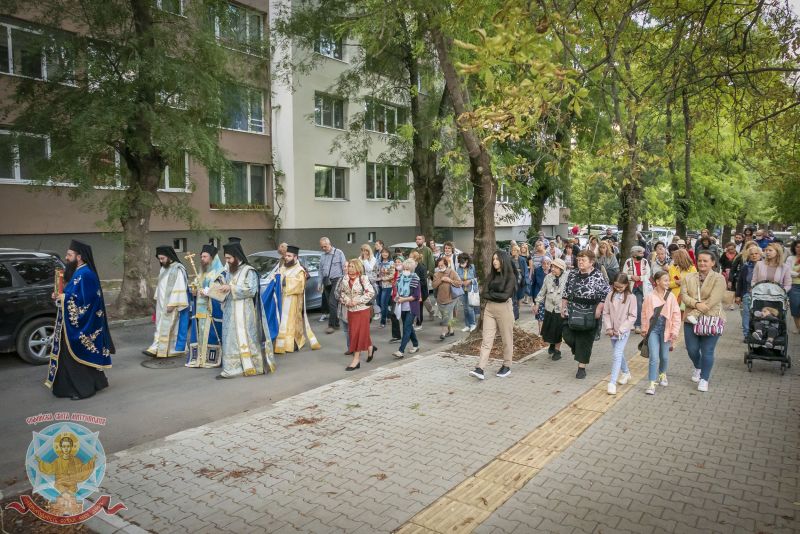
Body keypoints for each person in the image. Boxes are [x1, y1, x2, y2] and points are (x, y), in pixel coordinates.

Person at [45, 240, 113, 400]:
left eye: (69, 255)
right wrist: (59, 295)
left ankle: (83, 389)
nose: (66, 257)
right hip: (68, 323)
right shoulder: (78, 271)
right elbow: (72, 294)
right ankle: (90, 384)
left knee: (74, 356)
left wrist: (63, 297)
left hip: (81, 325)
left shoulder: (86, 274)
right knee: (69, 356)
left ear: (79, 256)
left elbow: (86, 302)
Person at [217, 241, 275, 379]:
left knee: (245, 338)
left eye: (229, 258)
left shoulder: (249, 271)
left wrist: (230, 288)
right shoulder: (230, 271)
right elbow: (227, 287)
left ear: (237, 256)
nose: (227, 261)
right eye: (226, 258)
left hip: (244, 312)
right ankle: (233, 368)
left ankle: (251, 365)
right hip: (230, 311)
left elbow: (251, 290)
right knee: (231, 340)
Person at [681, 251, 726, 392]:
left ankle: (704, 379)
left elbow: (715, 299)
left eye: (705, 261)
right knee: (692, 349)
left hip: (711, 318)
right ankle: (698, 366)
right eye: (699, 260)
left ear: (713, 262)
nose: (702, 263)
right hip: (690, 319)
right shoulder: (688, 277)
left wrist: (698, 310)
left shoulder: (719, 278)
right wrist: (696, 304)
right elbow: (684, 296)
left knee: (708, 350)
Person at [561, 250, 610, 379]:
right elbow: (566, 292)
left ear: (591, 262)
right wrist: (563, 307)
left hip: (590, 312)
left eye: (583, 260)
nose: (580, 262)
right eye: (578, 260)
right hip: (572, 310)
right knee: (567, 335)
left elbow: (606, 294)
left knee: (585, 340)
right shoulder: (572, 274)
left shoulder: (598, 275)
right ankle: (578, 350)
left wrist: (599, 308)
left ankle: (581, 368)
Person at [470, 251, 516, 380]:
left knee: (507, 339)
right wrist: (494, 295)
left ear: (503, 260)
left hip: (504, 309)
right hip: (489, 309)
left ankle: (507, 365)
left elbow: (505, 296)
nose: (494, 261)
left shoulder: (510, 276)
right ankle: (480, 368)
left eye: (497, 259)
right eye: (493, 259)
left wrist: (491, 294)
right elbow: (484, 293)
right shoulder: (491, 275)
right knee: (486, 339)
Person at [144, 246, 190, 358]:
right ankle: (166, 349)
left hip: (171, 304)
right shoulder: (164, 268)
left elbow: (180, 287)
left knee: (166, 326)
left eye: (162, 258)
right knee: (162, 325)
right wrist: (157, 298)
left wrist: (172, 304)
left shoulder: (178, 269)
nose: (161, 261)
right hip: (161, 304)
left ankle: (157, 348)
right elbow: (161, 285)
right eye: (159, 259)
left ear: (169, 256)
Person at [274, 246, 321, 354]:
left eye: (289, 256)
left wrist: (284, 281)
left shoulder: (300, 270)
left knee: (292, 323)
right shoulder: (283, 267)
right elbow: (276, 278)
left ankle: (292, 343)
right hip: (282, 299)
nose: (286, 258)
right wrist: (275, 278)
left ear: (295, 257)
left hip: (293, 301)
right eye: (286, 256)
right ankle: (280, 344)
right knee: (282, 322)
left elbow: (300, 285)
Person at [640, 271, 681, 395]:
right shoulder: (649, 296)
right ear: (657, 281)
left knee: (664, 356)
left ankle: (662, 374)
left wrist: (674, 331)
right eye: (665, 280)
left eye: (668, 280)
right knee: (654, 357)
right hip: (653, 330)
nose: (668, 283)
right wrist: (644, 328)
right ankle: (652, 383)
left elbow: (676, 315)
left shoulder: (671, 296)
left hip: (666, 330)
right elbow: (644, 313)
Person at [186, 244, 224, 368]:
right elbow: (196, 285)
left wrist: (207, 291)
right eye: (201, 256)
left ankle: (210, 359)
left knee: (211, 333)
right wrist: (193, 290)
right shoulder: (202, 272)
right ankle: (200, 358)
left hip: (211, 309)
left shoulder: (220, 272)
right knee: (200, 332)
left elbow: (221, 289)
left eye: (205, 256)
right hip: (200, 309)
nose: (202, 259)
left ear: (212, 258)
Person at [338, 259, 377, 370]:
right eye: (349, 266)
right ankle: (370, 347)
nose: (349, 268)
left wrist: (357, 301)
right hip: (351, 310)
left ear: (358, 268)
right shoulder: (344, 279)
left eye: (352, 266)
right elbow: (341, 293)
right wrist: (347, 301)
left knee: (357, 334)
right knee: (356, 332)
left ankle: (356, 360)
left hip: (362, 310)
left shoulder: (363, 278)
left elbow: (370, 293)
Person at [602, 273, 637, 395]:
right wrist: (608, 327)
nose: (617, 289)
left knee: (617, 354)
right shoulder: (609, 295)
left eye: (620, 287)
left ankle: (612, 382)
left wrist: (621, 330)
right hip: (612, 331)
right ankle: (626, 372)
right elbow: (606, 312)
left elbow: (632, 316)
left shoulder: (631, 297)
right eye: (615, 286)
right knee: (619, 353)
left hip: (623, 332)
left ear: (626, 285)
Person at [534, 258, 567, 360]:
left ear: (561, 268)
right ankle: (552, 344)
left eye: (555, 267)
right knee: (549, 329)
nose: (552, 269)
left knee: (558, 330)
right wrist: (537, 303)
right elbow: (542, 291)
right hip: (549, 307)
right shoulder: (548, 277)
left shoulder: (567, 278)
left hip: (560, 309)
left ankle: (557, 351)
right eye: (552, 266)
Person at [392, 259, 422, 359]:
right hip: (402, 307)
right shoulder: (400, 278)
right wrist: (397, 298)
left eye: (408, 269)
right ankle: (416, 345)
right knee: (409, 327)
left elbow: (416, 296)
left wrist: (404, 299)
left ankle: (401, 350)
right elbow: (398, 292)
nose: (405, 271)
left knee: (406, 328)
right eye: (404, 268)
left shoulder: (415, 279)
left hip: (411, 308)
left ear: (412, 269)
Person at [318, 238, 347, 334]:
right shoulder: (322, 256)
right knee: (332, 304)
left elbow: (344, 268)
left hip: (337, 280)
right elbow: (320, 270)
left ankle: (331, 325)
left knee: (332, 302)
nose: (323, 248)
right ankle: (337, 323)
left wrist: (345, 281)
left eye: (325, 246)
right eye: (322, 247)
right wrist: (319, 283)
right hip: (326, 281)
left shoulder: (339, 253)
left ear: (329, 244)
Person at [735, 245, 763, 341]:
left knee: (759, 314)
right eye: (751, 254)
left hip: (762, 295)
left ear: (760, 254)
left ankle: (758, 332)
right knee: (746, 314)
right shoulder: (746, 267)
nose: (754, 256)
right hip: (747, 293)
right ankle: (747, 334)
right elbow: (740, 281)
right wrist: (738, 295)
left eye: (756, 253)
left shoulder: (765, 266)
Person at [622, 245, 652, 333]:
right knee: (629, 305)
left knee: (639, 305)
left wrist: (640, 278)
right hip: (630, 287)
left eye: (642, 253)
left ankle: (637, 325)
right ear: (634, 254)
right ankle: (629, 323)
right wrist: (631, 277)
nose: (642, 254)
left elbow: (648, 274)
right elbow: (624, 274)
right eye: (640, 253)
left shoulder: (645, 261)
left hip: (641, 287)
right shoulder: (628, 262)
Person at [432, 256, 462, 340]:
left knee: (446, 315)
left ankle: (443, 332)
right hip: (440, 299)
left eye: (442, 265)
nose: (440, 267)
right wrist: (441, 279)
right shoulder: (436, 274)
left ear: (446, 264)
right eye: (439, 266)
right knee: (447, 315)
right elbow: (434, 285)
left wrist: (450, 280)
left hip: (451, 298)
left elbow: (459, 283)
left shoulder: (452, 272)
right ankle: (451, 331)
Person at [455, 253, 478, 332]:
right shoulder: (459, 268)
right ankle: (467, 325)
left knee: (470, 308)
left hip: (471, 290)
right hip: (463, 290)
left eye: (463, 262)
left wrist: (470, 281)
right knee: (465, 309)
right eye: (460, 263)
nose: (461, 264)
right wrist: (461, 282)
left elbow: (477, 278)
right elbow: (457, 278)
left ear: (467, 261)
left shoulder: (473, 267)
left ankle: (473, 324)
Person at [374, 248, 395, 328]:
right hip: (379, 285)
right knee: (379, 303)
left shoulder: (391, 263)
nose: (384, 254)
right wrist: (376, 276)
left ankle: (383, 322)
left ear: (388, 254)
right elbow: (374, 270)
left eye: (386, 252)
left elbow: (392, 275)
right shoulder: (379, 262)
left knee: (383, 304)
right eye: (383, 252)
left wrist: (382, 278)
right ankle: (389, 315)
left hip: (387, 286)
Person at [409, 250, 429, 329]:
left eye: (410, 258)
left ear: (415, 259)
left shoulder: (422, 267)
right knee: (412, 307)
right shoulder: (410, 266)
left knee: (419, 307)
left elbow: (423, 282)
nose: (408, 259)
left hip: (421, 291)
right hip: (412, 290)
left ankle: (419, 323)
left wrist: (413, 282)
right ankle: (412, 321)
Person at [531, 256, 551, 333]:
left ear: (550, 264)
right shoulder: (537, 270)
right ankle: (541, 333)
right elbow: (533, 285)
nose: (546, 265)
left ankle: (548, 333)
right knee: (540, 317)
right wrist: (534, 300)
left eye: (548, 263)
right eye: (544, 263)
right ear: (541, 263)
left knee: (549, 316)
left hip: (550, 297)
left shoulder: (553, 271)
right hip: (540, 296)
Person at [786, 239, 800, 334]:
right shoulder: (790, 258)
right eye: (797, 247)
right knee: (795, 307)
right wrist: (797, 274)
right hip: (794, 286)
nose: (799, 249)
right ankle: (798, 327)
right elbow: (787, 271)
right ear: (794, 248)